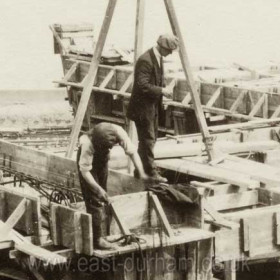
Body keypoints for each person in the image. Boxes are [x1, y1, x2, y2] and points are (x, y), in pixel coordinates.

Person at [76, 122, 147, 250]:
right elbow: (85, 172)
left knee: (104, 196)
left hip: (102, 159)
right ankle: (97, 239)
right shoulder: (87, 144)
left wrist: (141, 172)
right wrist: (98, 189)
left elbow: (132, 153)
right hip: (87, 166)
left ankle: (104, 231)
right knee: (94, 197)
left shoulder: (118, 132)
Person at [127, 34, 179, 183]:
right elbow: (141, 85)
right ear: (161, 47)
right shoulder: (145, 60)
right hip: (142, 109)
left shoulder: (158, 58)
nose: (170, 53)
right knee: (148, 140)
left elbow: (153, 79)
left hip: (151, 107)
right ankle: (151, 173)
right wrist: (163, 90)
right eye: (169, 50)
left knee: (149, 140)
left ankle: (140, 170)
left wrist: (164, 87)